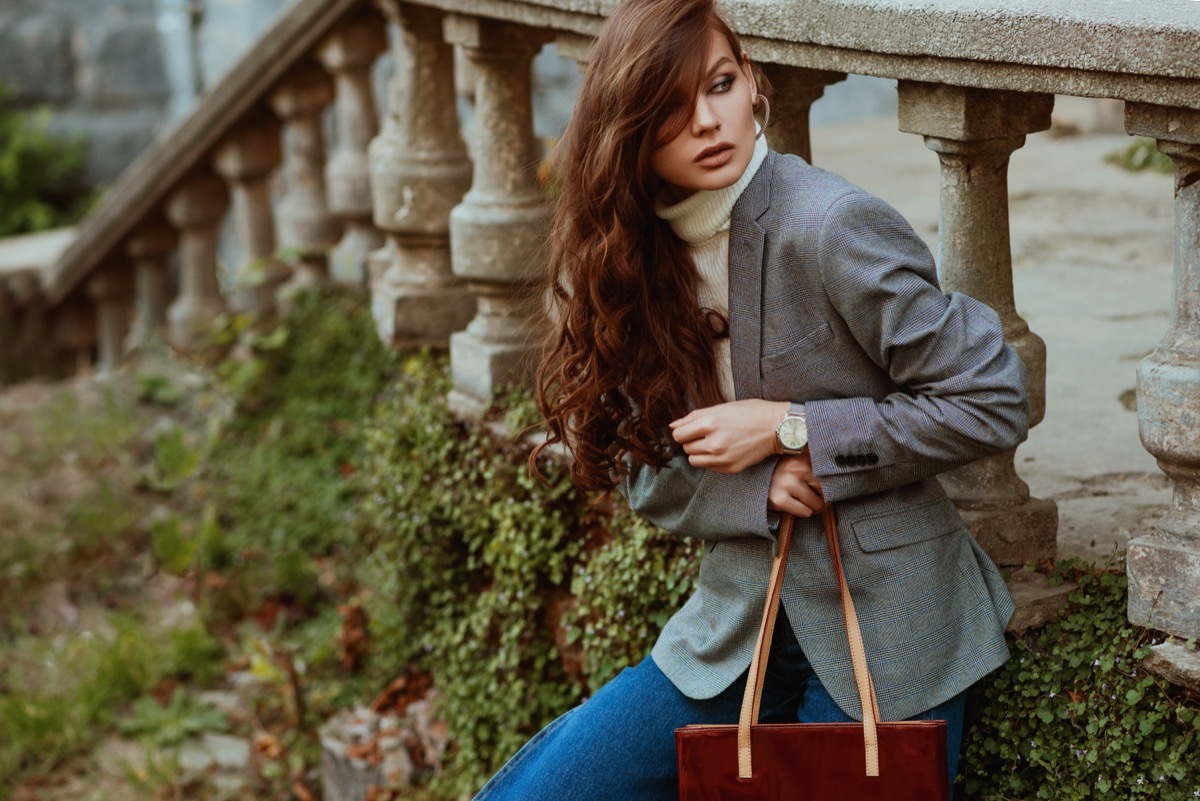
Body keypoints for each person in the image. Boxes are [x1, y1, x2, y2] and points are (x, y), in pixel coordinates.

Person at [485, 0, 1027, 798]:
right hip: (740, 622)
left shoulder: (830, 226)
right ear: (628, 129)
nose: (707, 122)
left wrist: (795, 429)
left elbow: (992, 394)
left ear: (753, 84)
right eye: (671, 109)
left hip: (891, 626)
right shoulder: (626, 261)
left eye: (721, 84)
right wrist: (756, 482)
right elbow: (638, 467)